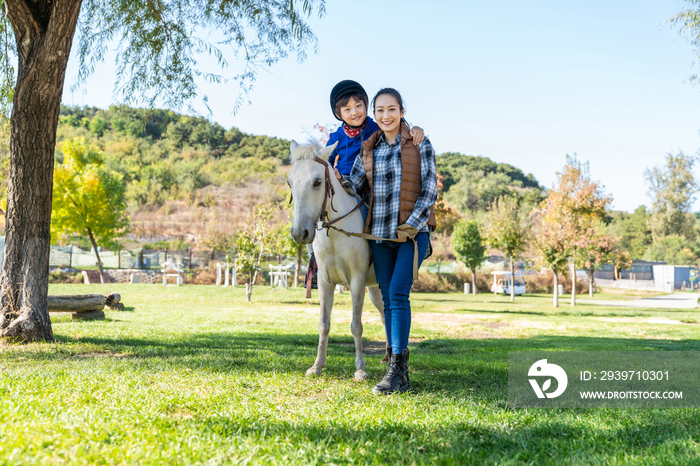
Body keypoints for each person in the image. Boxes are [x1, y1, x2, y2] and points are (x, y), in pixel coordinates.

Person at [338, 88, 437, 395]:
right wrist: (324, 175)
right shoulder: (369, 149)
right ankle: (397, 369)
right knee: (388, 298)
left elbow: (430, 189)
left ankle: (397, 369)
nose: (385, 116)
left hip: (410, 234)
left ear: (402, 111)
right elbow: (353, 185)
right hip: (380, 235)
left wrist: (412, 225)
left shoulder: (419, 143)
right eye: (379, 111)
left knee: (397, 294)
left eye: (391, 109)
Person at [305, 81, 425, 295]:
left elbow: (396, 126)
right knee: (316, 218)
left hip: (370, 189)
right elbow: (323, 163)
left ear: (366, 105)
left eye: (359, 106)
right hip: (344, 188)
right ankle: (316, 263)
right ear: (339, 113)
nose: (354, 112)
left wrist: (415, 128)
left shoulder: (375, 127)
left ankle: (368, 257)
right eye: (347, 109)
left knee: (367, 216)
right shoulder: (335, 138)